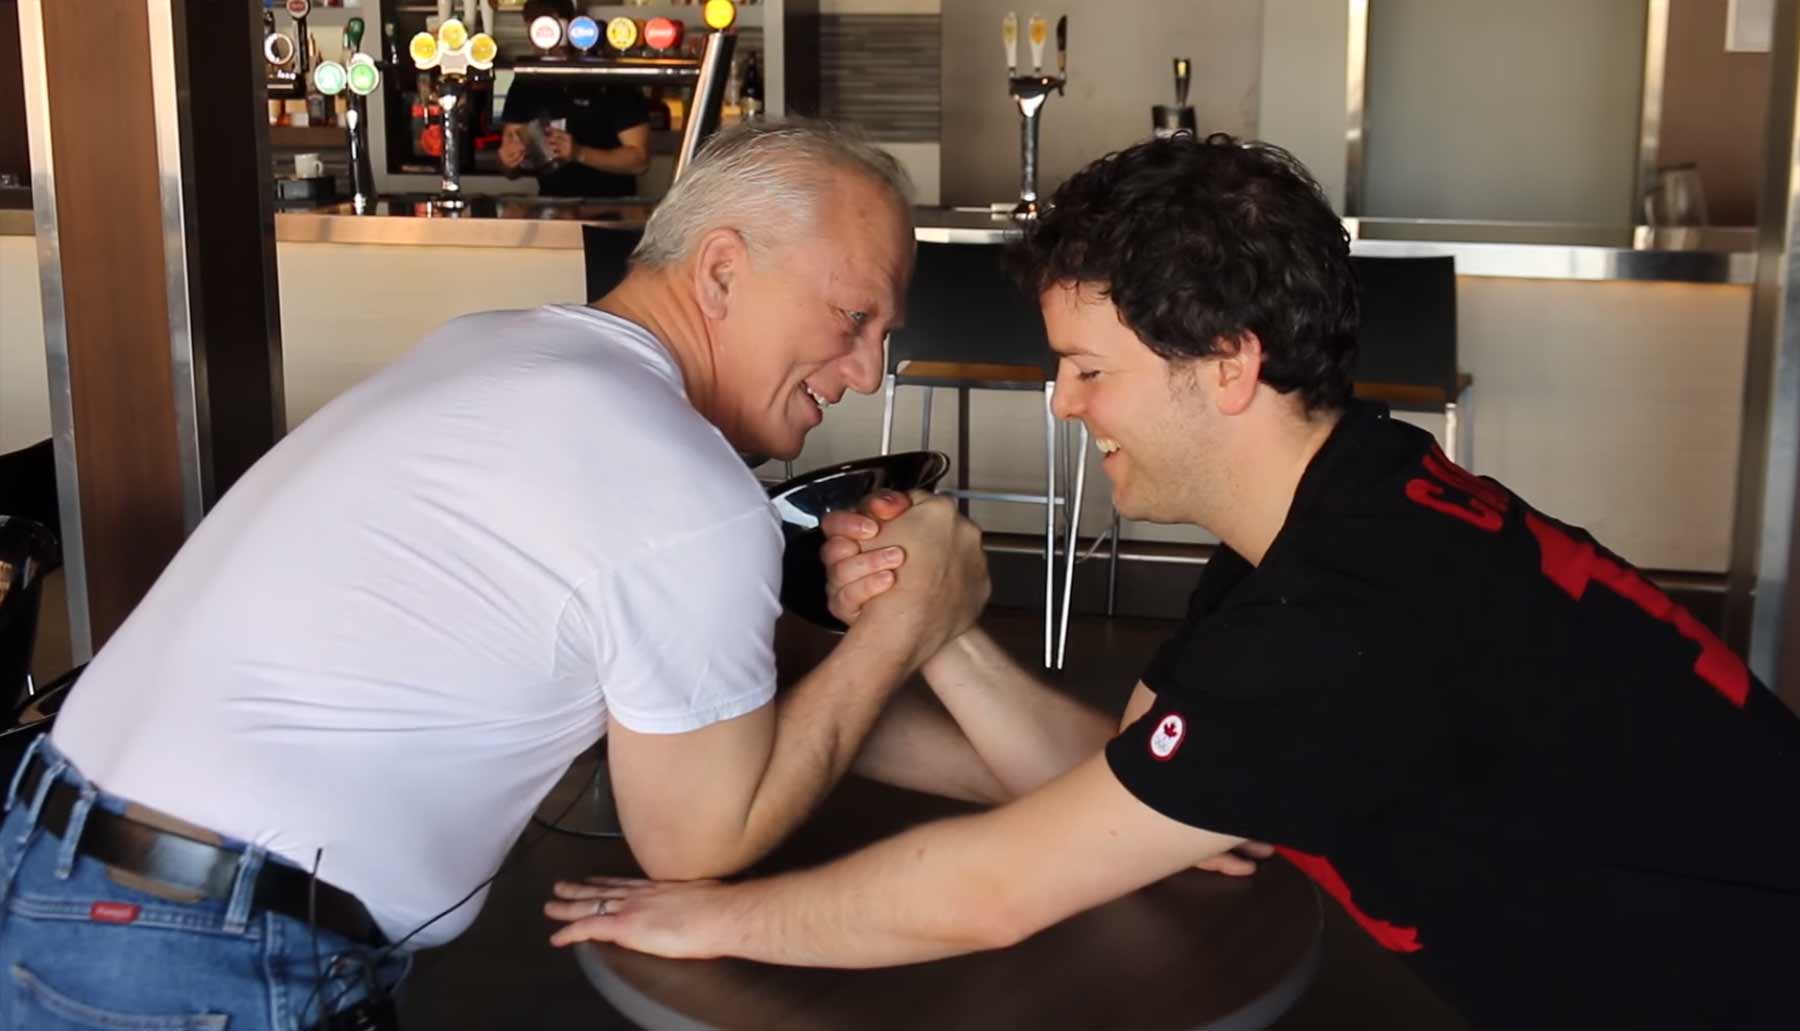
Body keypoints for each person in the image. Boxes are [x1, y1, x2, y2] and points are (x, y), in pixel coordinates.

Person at [543, 133, 1800, 1027]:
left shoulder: (1334, 616)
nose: (1064, 404)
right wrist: (937, 628)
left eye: (1091, 369)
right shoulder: (1339, 506)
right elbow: (1134, 785)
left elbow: (994, 890)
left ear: (1229, 363)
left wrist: (708, 917)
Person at [0, 121, 1004, 1031]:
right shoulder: (676, 480)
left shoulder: (499, 346)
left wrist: (1012, 768)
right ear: (723, 271)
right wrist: (902, 627)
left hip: (51, 853)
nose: (868, 370)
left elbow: (713, 692)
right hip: (196, 949)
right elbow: (699, 836)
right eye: (853, 317)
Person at [497, 0, 652, 198]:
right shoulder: (527, 81)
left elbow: (639, 161)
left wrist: (579, 153)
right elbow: (509, 168)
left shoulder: (610, 76)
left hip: (612, 205)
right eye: (537, 32)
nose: (547, 43)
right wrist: (507, 160)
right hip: (553, 205)